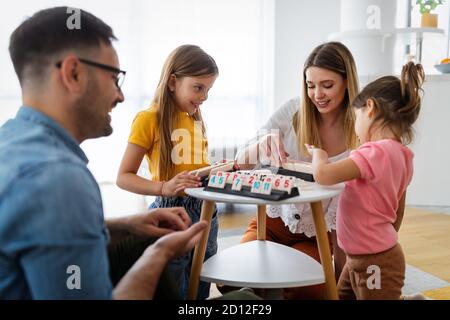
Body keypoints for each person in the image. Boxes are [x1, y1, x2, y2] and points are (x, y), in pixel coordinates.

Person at [0, 7, 239, 300]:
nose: (120, 95)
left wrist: (123, 226)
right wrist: (158, 256)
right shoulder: (57, 179)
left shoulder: (12, 141)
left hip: (198, 209)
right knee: (249, 302)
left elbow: (39, 234)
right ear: (73, 74)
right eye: (114, 78)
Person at [234, 42, 360, 299]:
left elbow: (345, 219)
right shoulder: (292, 111)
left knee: (312, 293)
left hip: (315, 235)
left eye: (327, 85)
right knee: (235, 281)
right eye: (310, 85)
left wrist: (339, 288)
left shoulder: (360, 128)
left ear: (347, 82)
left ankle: (278, 284)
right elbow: (239, 162)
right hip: (270, 224)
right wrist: (259, 145)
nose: (317, 94)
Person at [307, 62, 424, 300]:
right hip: (366, 255)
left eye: (356, 116)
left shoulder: (373, 152)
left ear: (369, 108)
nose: (356, 127)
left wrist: (319, 155)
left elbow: (324, 175)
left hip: (373, 260)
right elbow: (397, 209)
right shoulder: (403, 155)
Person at [116, 45, 219, 300]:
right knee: (174, 284)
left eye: (208, 89)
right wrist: (163, 187)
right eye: (198, 87)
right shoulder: (148, 118)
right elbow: (123, 176)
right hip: (173, 210)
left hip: (207, 209)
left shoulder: (195, 117)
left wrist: (215, 169)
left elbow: (193, 167)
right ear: (173, 81)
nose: (204, 96)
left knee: (202, 276)